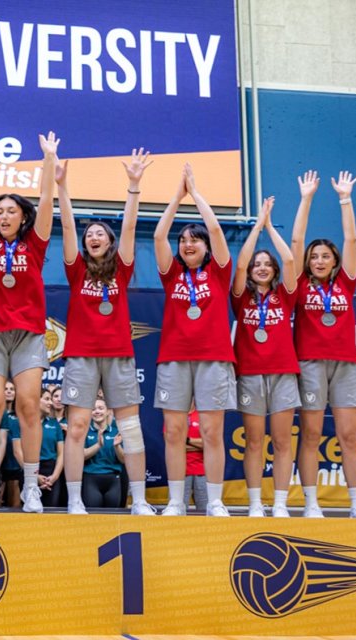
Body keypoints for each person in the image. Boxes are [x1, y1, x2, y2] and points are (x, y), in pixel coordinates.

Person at [57, 149, 155, 515]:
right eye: (89, 234)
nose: (92, 237)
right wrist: (62, 188)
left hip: (118, 355)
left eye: (100, 233)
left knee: (130, 428)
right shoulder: (76, 270)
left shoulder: (123, 270)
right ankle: (73, 500)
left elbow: (129, 226)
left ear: (110, 243)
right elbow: (67, 226)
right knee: (78, 425)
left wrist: (133, 185)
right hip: (81, 355)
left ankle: (141, 500)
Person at [0, 132, 58, 512]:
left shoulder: (34, 244)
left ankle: (32, 487)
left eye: (10, 211)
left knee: (30, 407)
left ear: (22, 218)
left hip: (28, 337)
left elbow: (47, 199)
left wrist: (49, 159)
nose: (3, 216)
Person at [153, 164, 235, 517]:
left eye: (194, 239)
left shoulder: (219, 272)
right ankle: (175, 501)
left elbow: (215, 228)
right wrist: (176, 197)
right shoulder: (172, 274)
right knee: (174, 430)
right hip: (173, 357)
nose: (188, 244)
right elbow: (158, 237)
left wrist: (196, 194)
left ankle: (215, 500)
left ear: (206, 247)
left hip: (214, 357)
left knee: (213, 431)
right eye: (183, 240)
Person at [290, 170, 356, 517]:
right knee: (311, 433)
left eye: (324, 256)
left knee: (349, 436)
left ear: (335, 261)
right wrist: (306, 199)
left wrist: (344, 199)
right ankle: (310, 503)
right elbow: (295, 242)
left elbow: (351, 241)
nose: (318, 260)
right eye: (314, 256)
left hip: (346, 365)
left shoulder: (346, 284)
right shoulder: (300, 285)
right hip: (310, 364)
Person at [231, 196, 300, 517]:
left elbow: (290, 262)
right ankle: (256, 502)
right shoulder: (241, 296)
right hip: (249, 374)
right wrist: (256, 226)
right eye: (258, 264)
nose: (260, 267)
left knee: (283, 441)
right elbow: (241, 264)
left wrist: (271, 228)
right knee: (255, 442)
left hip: (283, 373)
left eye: (265, 264)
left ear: (272, 271)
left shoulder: (284, 296)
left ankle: (281, 502)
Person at [81, 398, 123, 509]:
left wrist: (117, 446)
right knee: (93, 518)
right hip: (91, 478)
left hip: (113, 479)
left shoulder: (116, 432)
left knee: (113, 518)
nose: (97, 411)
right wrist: (98, 446)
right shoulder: (84, 432)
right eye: (93, 409)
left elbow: (124, 460)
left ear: (108, 411)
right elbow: (81, 456)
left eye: (100, 408)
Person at [37, 385, 65, 508]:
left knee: (52, 510)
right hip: (31, 470)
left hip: (51, 470)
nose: (51, 402)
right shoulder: (23, 423)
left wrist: (54, 477)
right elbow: (18, 451)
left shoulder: (54, 424)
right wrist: (35, 476)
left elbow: (61, 454)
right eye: (47, 399)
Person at [184, 407, 206, 509]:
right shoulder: (175, 415)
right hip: (180, 473)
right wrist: (198, 443)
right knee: (178, 511)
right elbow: (173, 444)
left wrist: (187, 440)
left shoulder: (203, 415)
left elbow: (209, 444)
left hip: (203, 471)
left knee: (205, 513)